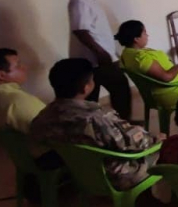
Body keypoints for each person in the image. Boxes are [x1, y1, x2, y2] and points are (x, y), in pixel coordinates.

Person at [31, 58, 161, 191]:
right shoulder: (96, 117)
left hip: (77, 173)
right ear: (86, 87)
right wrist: (155, 139)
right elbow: (130, 142)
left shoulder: (43, 116)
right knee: (165, 149)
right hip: (113, 176)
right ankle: (151, 202)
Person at [0, 48, 62, 202]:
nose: (24, 68)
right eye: (18, 66)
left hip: (23, 156)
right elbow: (54, 131)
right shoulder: (17, 102)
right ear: (1, 75)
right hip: (44, 156)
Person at [68, 0, 132, 120]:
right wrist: (100, 52)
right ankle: (124, 123)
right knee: (120, 88)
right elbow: (80, 31)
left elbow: (94, 27)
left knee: (92, 95)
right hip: (96, 58)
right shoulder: (81, 0)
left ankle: (104, 125)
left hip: (98, 57)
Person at [116, 20, 178, 109]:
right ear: (136, 39)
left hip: (162, 90)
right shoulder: (142, 58)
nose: (147, 35)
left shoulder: (127, 54)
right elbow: (166, 77)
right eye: (144, 33)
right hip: (172, 93)